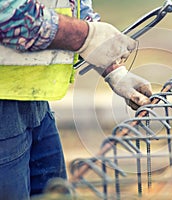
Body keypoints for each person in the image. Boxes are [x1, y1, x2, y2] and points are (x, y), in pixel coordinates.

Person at [0, 0, 152, 199]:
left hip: (35, 102)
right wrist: (85, 36)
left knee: (55, 193)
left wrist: (112, 69)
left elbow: (73, 6)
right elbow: (8, 14)